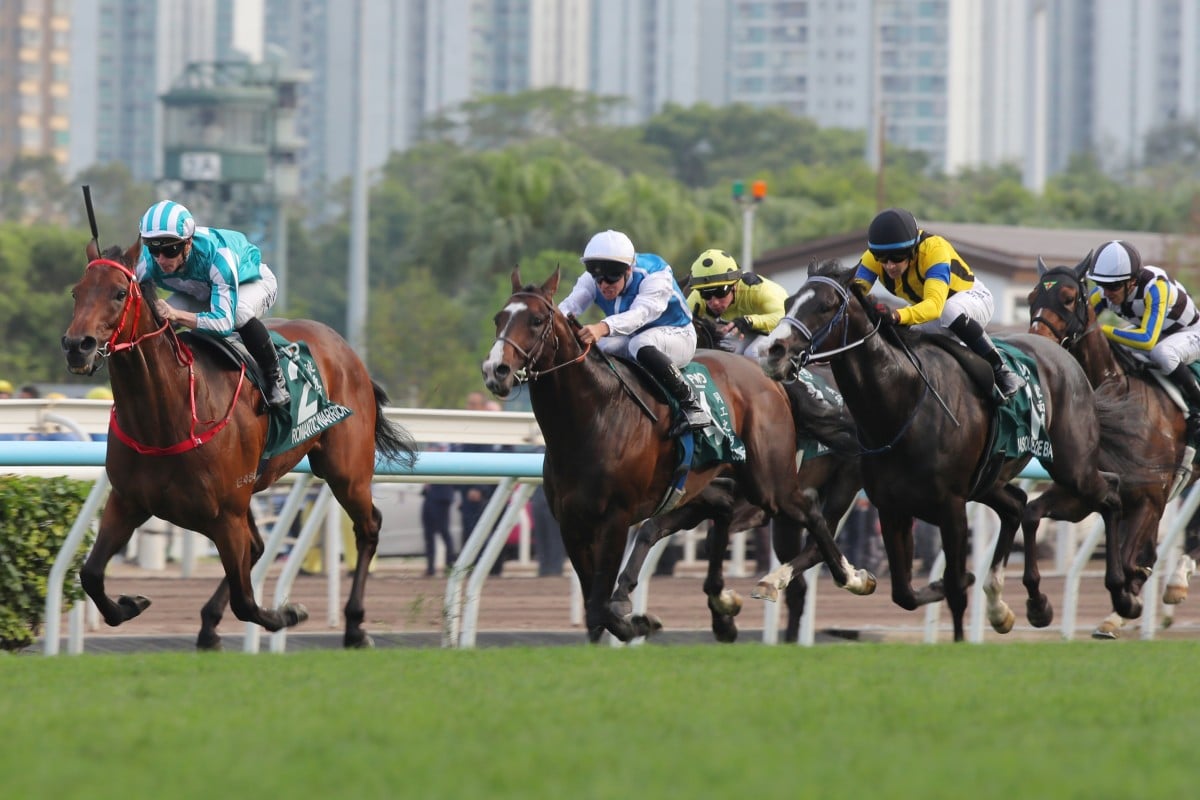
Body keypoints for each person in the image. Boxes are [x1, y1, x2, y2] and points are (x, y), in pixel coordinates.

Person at [853, 208, 1025, 402]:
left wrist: (895, 316)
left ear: (912, 250)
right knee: (897, 337)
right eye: (882, 258)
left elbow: (935, 305)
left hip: (972, 299)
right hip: (932, 314)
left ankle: (1002, 371)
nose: (889, 265)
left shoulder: (934, 250)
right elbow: (854, 293)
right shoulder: (874, 258)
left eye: (897, 257)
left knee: (948, 310)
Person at [135, 200, 289, 408]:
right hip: (201, 290)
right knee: (156, 320)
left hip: (251, 282)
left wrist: (177, 314)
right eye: (154, 249)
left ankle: (274, 378)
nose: (161, 259)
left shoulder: (219, 257)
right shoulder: (147, 262)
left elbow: (223, 324)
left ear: (187, 243)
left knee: (238, 313)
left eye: (170, 250)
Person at [559, 229, 711, 436]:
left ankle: (691, 404)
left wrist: (601, 327)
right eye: (598, 279)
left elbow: (640, 314)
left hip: (678, 335)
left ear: (628, 270)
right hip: (632, 336)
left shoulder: (655, 274)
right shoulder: (593, 279)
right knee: (599, 349)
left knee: (638, 343)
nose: (604, 285)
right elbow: (568, 307)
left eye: (611, 279)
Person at [1086, 239, 1200, 444]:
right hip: (1159, 333)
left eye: (1113, 286)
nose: (1106, 292)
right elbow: (1081, 321)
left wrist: (1101, 329)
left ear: (1132, 281)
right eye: (1101, 284)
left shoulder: (1156, 288)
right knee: (1111, 349)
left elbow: (1147, 340)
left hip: (1189, 332)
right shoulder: (1103, 292)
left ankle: (1197, 405)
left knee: (1163, 353)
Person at [685, 248, 788, 358]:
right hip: (745, 331)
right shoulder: (697, 298)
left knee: (753, 352)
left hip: (780, 328)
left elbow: (785, 318)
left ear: (734, 285)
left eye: (720, 292)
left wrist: (748, 321)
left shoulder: (759, 291)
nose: (714, 302)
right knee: (724, 350)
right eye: (706, 294)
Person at [421, 445, 457, 576]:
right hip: (430, 495)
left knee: (444, 532)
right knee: (428, 534)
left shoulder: (450, 450)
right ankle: (430, 568)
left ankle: (449, 566)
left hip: (441, 497)